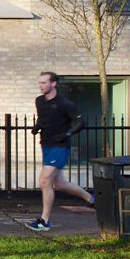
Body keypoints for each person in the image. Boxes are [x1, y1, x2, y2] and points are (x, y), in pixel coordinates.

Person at [29, 71, 95, 232]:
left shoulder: (65, 104)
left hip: (60, 147)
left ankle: (44, 221)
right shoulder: (39, 101)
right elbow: (43, 117)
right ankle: (92, 199)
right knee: (59, 184)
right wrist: (38, 126)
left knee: (44, 181)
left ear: (54, 83)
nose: (41, 86)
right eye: (40, 83)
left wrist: (66, 134)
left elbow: (81, 123)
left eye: (44, 83)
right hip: (46, 145)